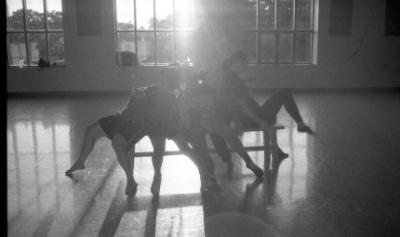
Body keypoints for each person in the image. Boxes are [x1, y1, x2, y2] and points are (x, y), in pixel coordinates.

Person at [66, 84, 219, 196]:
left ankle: (202, 176)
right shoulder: (171, 96)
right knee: (91, 131)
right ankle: (81, 162)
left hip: (152, 119)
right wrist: (140, 96)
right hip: (131, 115)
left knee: (177, 149)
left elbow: (182, 130)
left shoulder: (178, 106)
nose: (206, 103)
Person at [210, 51, 315, 172]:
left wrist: (246, 82)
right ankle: (299, 124)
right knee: (284, 93)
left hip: (252, 115)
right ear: (237, 63)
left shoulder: (229, 78)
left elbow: (234, 98)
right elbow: (240, 105)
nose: (246, 65)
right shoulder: (230, 80)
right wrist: (260, 121)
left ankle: (277, 147)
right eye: (245, 62)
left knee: (274, 106)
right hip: (252, 118)